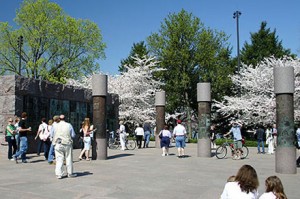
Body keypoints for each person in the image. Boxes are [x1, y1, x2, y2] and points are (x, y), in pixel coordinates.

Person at [52, 114, 76, 179]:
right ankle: (70, 173)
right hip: (67, 143)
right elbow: (73, 135)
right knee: (69, 158)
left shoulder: (55, 126)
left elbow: (51, 134)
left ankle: (59, 174)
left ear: (59, 119)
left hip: (58, 143)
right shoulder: (69, 125)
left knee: (59, 159)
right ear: (66, 118)